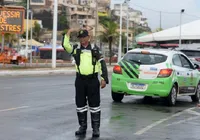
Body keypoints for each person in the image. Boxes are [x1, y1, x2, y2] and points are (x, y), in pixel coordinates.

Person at [62, 28, 109, 138]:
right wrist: (69, 32)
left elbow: (102, 64)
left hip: (92, 81)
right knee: (80, 105)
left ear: (89, 37)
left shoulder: (95, 50)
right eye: (80, 38)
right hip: (80, 81)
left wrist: (103, 78)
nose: (82, 40)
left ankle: (96, 128)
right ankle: (82, 127)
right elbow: (65, 45)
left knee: (95, 105)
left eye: (84, 37)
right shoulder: (75, 49)